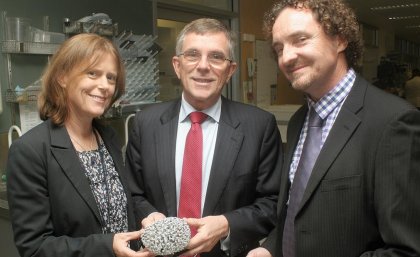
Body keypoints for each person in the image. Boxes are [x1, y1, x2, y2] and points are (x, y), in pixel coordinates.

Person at [246, 0, 420, 257]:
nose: (287, 57)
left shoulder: (394, 122)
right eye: (279, 48)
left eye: (301, 39)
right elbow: (297, 211)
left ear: (340, 40)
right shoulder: (298, 121)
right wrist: (271, 249)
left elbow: (406, 250)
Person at [125, 18, 283, 257]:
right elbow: (132, 193)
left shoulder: (259, 126)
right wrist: (149, 216)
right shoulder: (145, 124)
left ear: (230, 70)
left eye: (216, 57)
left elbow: (273, 203)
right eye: (192, 55)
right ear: (177, 65)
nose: (203, 66)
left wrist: (227, 224)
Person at [6, 33, 151, 257]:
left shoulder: (108, 137)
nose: (104, 86)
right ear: (62, 77)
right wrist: (108, 246)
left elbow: (120, 202)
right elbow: (34, 248)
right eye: (93, 73)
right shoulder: (30, 150)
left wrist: (148, 215)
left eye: (111, 78)